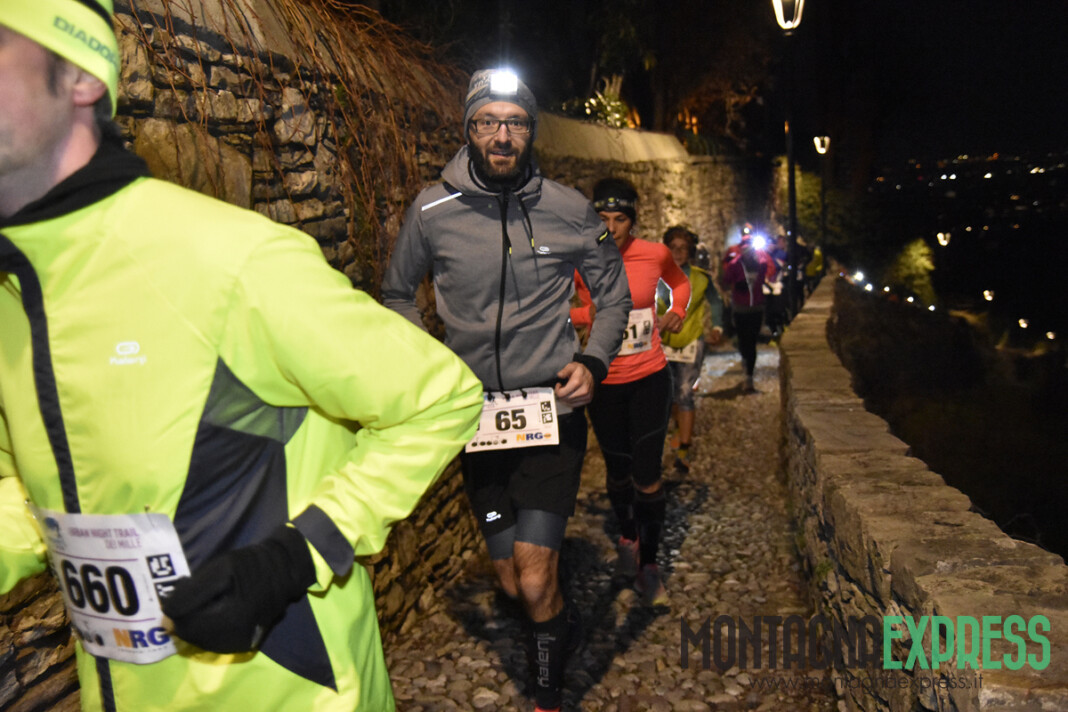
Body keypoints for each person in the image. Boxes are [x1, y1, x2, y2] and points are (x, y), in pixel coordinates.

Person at [0, 3, 484, 710]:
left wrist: (295, 556)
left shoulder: (226, 261)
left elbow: (439, 397)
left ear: (79, 73)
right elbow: (30, 488)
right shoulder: (12, 299)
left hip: (291, 694)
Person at [382, 69, 631, 712]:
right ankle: (560, 623)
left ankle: (547, 693)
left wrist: (594, 361)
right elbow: (396, 294)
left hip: (552, 413)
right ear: (468, 129)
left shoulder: (570, 209)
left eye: (515, 122)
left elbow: (614, 296)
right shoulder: (431, 210)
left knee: (534, 574)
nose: (502, 135)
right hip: (476, 422)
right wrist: (432, 368)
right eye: (488, 121)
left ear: (530, 131)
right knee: (509, 579)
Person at [571, 178, 690, 606]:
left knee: (648, 474)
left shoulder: (654, 254)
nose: (611, 227)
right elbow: (557, 308)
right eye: (603, 218)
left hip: (650, 377)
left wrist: (677, 310)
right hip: (604, 381)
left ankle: (650, 568)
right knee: (618, 471)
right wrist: (589, 315)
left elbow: (680, 283)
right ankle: (627, 539)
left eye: (620, 218)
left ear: (632, 221)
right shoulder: (580, 258)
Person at [657, 226, 725, 474]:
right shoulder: (655, 276)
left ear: (690, 252)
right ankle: (677, 427)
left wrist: (717, 326)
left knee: (685, 392)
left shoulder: (700, 278)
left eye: (683, 248)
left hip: (691, 341)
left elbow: (715, 301)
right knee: (669, 392)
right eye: (673, 248)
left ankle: (684, 449)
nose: (677, 253)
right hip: (662, 342)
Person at [722, 229, 775, 392]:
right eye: (744, 247)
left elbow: (770, 270)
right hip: (740, 309)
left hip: (756, 308)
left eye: (749, 247)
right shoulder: (734, 264)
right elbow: (726, 280)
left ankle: (749, 376)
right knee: (743, 342)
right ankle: (746, 362)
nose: (747, 250)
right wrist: (737, 285)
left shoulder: (762, 262)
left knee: (751, 342)